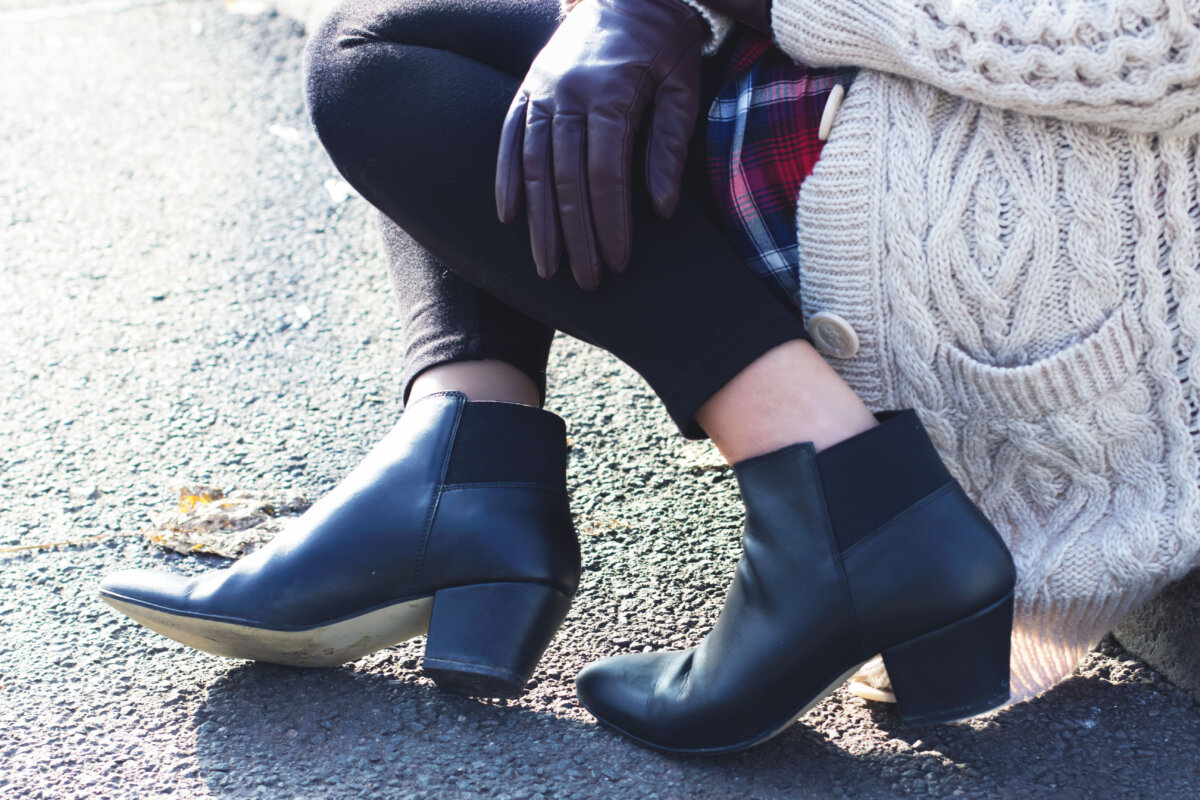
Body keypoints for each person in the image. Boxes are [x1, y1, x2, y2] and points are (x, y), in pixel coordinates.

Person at [97, 0, 1200, 754]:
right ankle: (463, 452)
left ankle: (834, 484)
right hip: (968, 176)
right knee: (497, 46)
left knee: (390, 55)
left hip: (1049, 249)